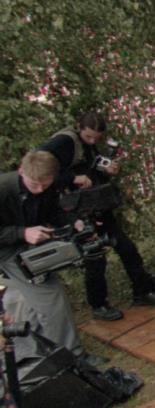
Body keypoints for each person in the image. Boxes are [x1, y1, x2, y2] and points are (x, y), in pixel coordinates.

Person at [37, 111, 155, 321]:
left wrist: (106, 169)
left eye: (96, 138)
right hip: (77, 211)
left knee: (126, 247)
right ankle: (99, 305)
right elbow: (39, 169)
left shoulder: (88, 145)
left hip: (97, 205)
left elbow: (91, 170)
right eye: (88, 136)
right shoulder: (63, 141)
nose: (92, 141)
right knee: (95, 257)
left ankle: (143, 291)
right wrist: (73, 178)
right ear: (79, 127)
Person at [0, 151, 97, 375]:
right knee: (52, 297)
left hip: (24, 247)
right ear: (21, 171)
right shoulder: (3, 190)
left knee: (32, 301)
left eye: (45, 185)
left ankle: (40, 350)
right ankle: (72, 358)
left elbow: (53, 211)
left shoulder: (46, 186)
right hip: (7, 251)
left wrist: (74, 222)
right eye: (34, 185)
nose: (40, 190)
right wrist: (22, 233)